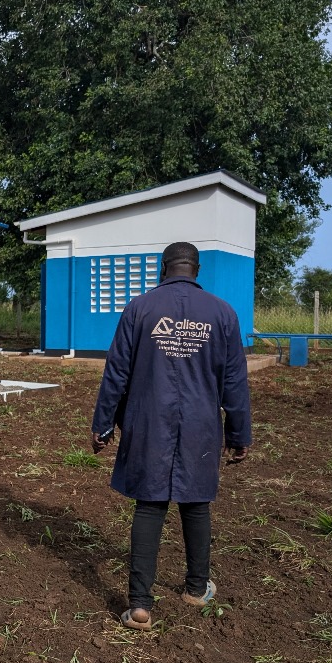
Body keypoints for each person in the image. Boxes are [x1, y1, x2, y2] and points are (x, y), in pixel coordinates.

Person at [91, 242, 251, 631]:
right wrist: (238, 433)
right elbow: (234, 381)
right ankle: (196, 588)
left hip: (149, 423)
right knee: (196, 503)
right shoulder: (222, 313)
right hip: (201, 426)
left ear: (164, 269)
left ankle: (140, 606)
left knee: (149, 505)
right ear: (197, 270)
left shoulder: (139, 309)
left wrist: (103, 424)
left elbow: (116, 372)